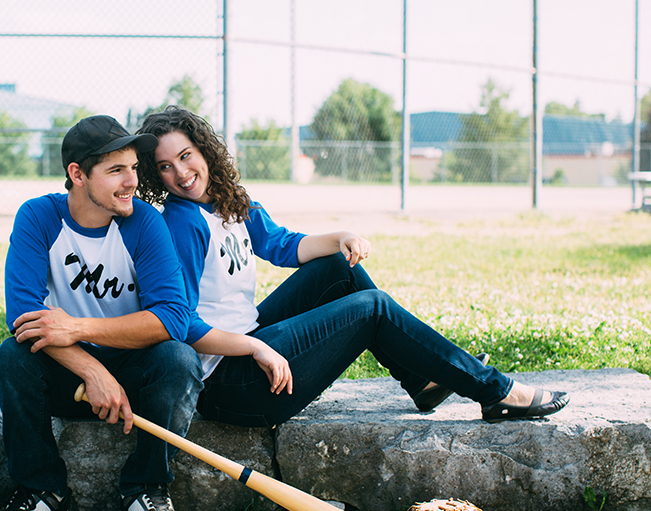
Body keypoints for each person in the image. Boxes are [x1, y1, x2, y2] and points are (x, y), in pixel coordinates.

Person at [135, 106, 568, 429]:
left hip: (253, 340)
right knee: (371, 308)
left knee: (339, 270)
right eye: (165, 167)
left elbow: (285, 246)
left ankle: (421, 380)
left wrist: (340, 237)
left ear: (205, 150)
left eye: (187, 156)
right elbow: (180, 323)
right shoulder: (182, 222)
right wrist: (253, 349)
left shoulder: (231, 202)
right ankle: (495, 391)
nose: (181, 173)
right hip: (233, 384)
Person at [0, 114, 203, 511]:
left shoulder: (143, 221)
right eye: (116, 170)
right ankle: (41, 491)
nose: (132, 182)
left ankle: (145, 489)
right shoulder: (38, 217)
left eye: (134, 169)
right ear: (77, 174)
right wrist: (92, 370)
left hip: (134, 377)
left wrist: (78, 328)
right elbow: (23, 317)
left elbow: (173, 317)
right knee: (11, 357)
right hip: (66, 375)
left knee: (179, 359)